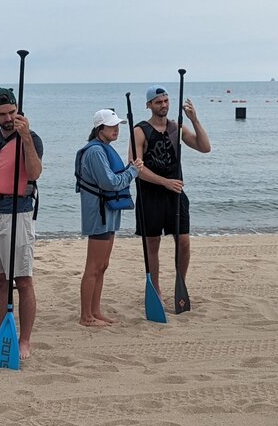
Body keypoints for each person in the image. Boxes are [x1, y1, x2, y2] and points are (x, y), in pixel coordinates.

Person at [0, 87, 43, 358]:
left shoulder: (32, 138)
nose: (8, 118)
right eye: (2, 114)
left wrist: (25, 137)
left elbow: (35, 172)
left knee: (23, 280)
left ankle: (24, 341)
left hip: (19, 212)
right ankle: (4, 335)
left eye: (12, 112)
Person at [131, 84, 210, 307]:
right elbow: (136, 166)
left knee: (183, 242)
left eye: (166, 101)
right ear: (149, 105)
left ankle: (180, 283)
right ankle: (155, 287)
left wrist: (194, 119)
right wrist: (164, 182)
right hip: (150, 195)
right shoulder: (140, 130)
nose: (163, 105)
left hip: (175, 195)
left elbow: (205, 148)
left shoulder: (177, 128)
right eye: (158, 102)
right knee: (152, 244)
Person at [75, 109, 140, 327]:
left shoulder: (103, 149)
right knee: (93, 266)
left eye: (117, 125)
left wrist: (130, 172)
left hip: (109, 213)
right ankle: (86, 316)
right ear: (99, 129)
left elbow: (112, 181)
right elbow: (109, 182)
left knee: (103, 265)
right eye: (111, 126)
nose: (116, 129)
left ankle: (95, 310)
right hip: (98, 214)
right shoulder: (95, 152)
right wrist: (132, 172)